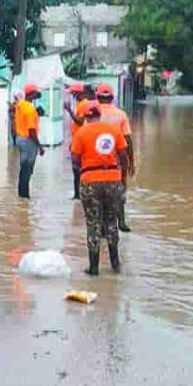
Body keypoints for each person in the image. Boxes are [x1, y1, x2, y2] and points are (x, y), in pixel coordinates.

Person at [71, 102, 130, 275]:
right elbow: (124, 156)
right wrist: (122, 178)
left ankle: (94, 267)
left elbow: (74, 160)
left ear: (86, 117)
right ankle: (115, 264)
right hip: (113, 180)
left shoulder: (81, 132)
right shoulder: (114, 130)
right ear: (99, 114)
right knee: (111, 221)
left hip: (89, 180)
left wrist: (84, 171)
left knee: (93, 223)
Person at [96, 83, 134, 232]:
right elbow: (127, 140)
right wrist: (131, 162)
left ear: (97, 97)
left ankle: (102, 226)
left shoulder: (93, 114)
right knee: (120, 189)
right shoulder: (121, 115)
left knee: (99, 193)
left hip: (96, 160)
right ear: (112, 98)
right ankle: (121, 222)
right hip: (117, 160)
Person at [14, 84, 45, 199]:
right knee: (27, 169)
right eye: (36, 93)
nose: (37, 95)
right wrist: (40, 146)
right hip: (28, 140)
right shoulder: (30, 109)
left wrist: (36, 113)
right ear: (31, 94)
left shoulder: (21, 105)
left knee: (23, 168)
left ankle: (21, 196)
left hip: (20, 138)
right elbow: (32, 130)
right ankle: (25, 196)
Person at [64, 82, 93, 200]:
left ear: (77, 93)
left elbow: (80, 122)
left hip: (80, 141)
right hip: (78, 140)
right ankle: (78, 195)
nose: (72, 96)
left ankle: (79, 195)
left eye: (73, 94)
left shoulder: (83, 104)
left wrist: (69, 110)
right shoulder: (82, 104)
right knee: (77, 169)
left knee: (77, 169)